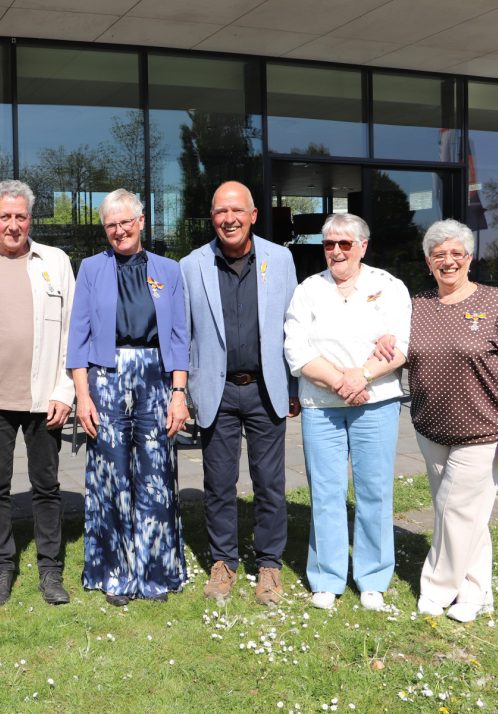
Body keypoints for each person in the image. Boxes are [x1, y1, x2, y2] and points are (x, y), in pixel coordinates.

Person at [379, 218, 498, 622]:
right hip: (431, 428)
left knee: (456, 509)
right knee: (467, 515)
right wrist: (382, 341)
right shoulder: (418, 306)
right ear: (428, 261)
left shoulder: (497, 304)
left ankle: (436, 587)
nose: (447, 261)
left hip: (483, 430)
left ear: (469, 258)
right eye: (438, 255)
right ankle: (477, 591)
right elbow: (398, 349)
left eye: (455, 254)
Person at [0, 180, 76, 608]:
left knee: (46, 486)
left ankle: (50, 570)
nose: (12, 224)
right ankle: (2, 568)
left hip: (45, 398)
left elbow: (71, 333)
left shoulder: (56, 262)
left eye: (20, 216)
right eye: (4, 216)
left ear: (30, 219)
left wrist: (65, 391)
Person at [180, 180, 300, 606]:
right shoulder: (192, 265)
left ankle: (269, 565)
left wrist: (295, 386)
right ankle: (224, 562)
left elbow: (294, 326)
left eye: (236, 211)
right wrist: (184, 389)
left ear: (252, 215)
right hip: (217, 391)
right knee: (219, 483)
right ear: (211, 218)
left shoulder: (280, 260)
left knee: (270, 483)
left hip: (266, 389)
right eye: (219, 212)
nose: (228, 219)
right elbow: (184, 333)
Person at [68, 189, 190, 606]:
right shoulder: (90, 269)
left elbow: (179, 337)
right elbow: (78, 337)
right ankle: (116, 573)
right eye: (111, 225)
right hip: (106, 377)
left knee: (155, 473)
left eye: (125, 222)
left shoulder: (168, 270)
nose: (119, 230)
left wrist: (178, 393)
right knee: (112, 474)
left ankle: (156, 571)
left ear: (141, 222)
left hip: (157, 377)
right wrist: (82, 396)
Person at [283, 213, 410, 611]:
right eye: (329, 244)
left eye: (345, 244)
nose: (336, 252)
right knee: (326, 492)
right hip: (322, 405)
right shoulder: (308, 290)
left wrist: (362, 377)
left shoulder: (388, 287)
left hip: (376, 403)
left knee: (374, 491)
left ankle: (372, 577)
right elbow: (297, 350)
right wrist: (341, 381)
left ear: (363, 246)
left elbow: (401, 346)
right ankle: (327, 577)